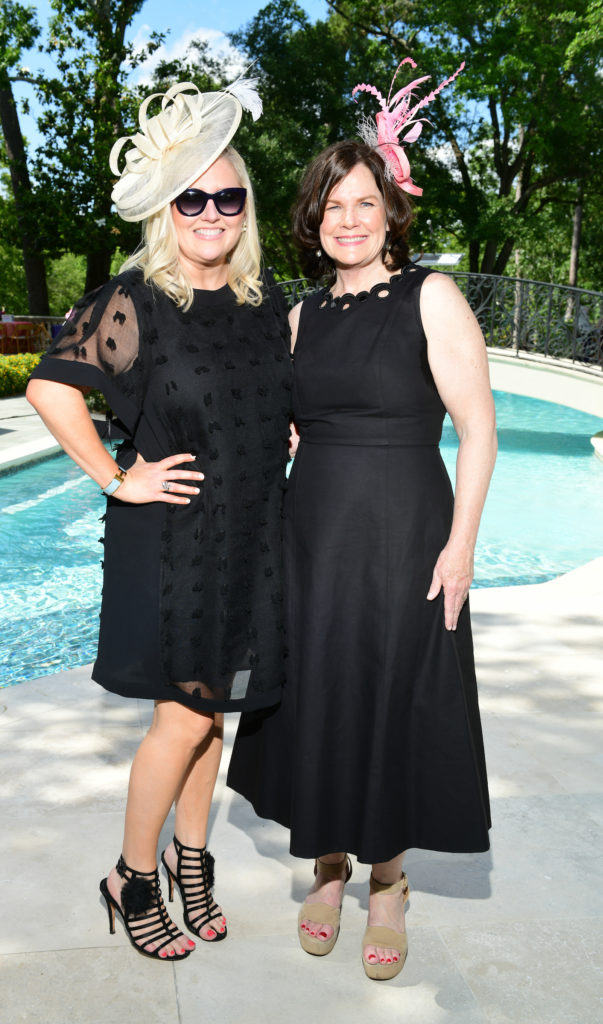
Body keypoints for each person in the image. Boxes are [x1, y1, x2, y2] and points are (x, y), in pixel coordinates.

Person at [227, 61, 497, 981]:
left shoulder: (432, 297)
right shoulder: (299, 317)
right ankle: (327, 865)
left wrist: (460, 545)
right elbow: (283, 422)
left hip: (406, 530)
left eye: (362, 204)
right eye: (332, 206)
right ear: (315, 220)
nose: (347, 220)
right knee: (320, 695)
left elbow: (477, 427)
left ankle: (387, 878)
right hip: (315, 534)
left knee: (393, 693)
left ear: (389, 213)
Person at [26, 79, 292, 962]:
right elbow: (48, 385)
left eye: (228, 196)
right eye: (192, 197)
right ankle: (131, 878)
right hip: (173, 540)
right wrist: (114, 475)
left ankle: (191, 859)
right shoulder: (135, 298)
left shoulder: (262, 306)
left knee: (211, 714)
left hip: (247, 537)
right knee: (180, 719)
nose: (211, 212)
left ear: (246, 207)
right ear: (166, 210)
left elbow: (269, 404)